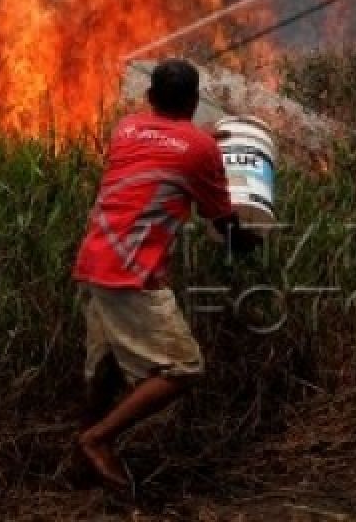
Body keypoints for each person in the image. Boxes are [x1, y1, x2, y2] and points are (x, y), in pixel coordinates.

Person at [73, 58, 260, 491]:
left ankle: (80, 468)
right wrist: (249, 243)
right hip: (130, 272)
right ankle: (98, 440)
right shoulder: (200, 149)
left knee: (102, 368)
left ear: (150, 98)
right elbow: (224, 224)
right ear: (195, 102)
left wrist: (201, 144)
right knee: (184, 367)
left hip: (96, 258)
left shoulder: (126, 129)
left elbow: (165, 152)